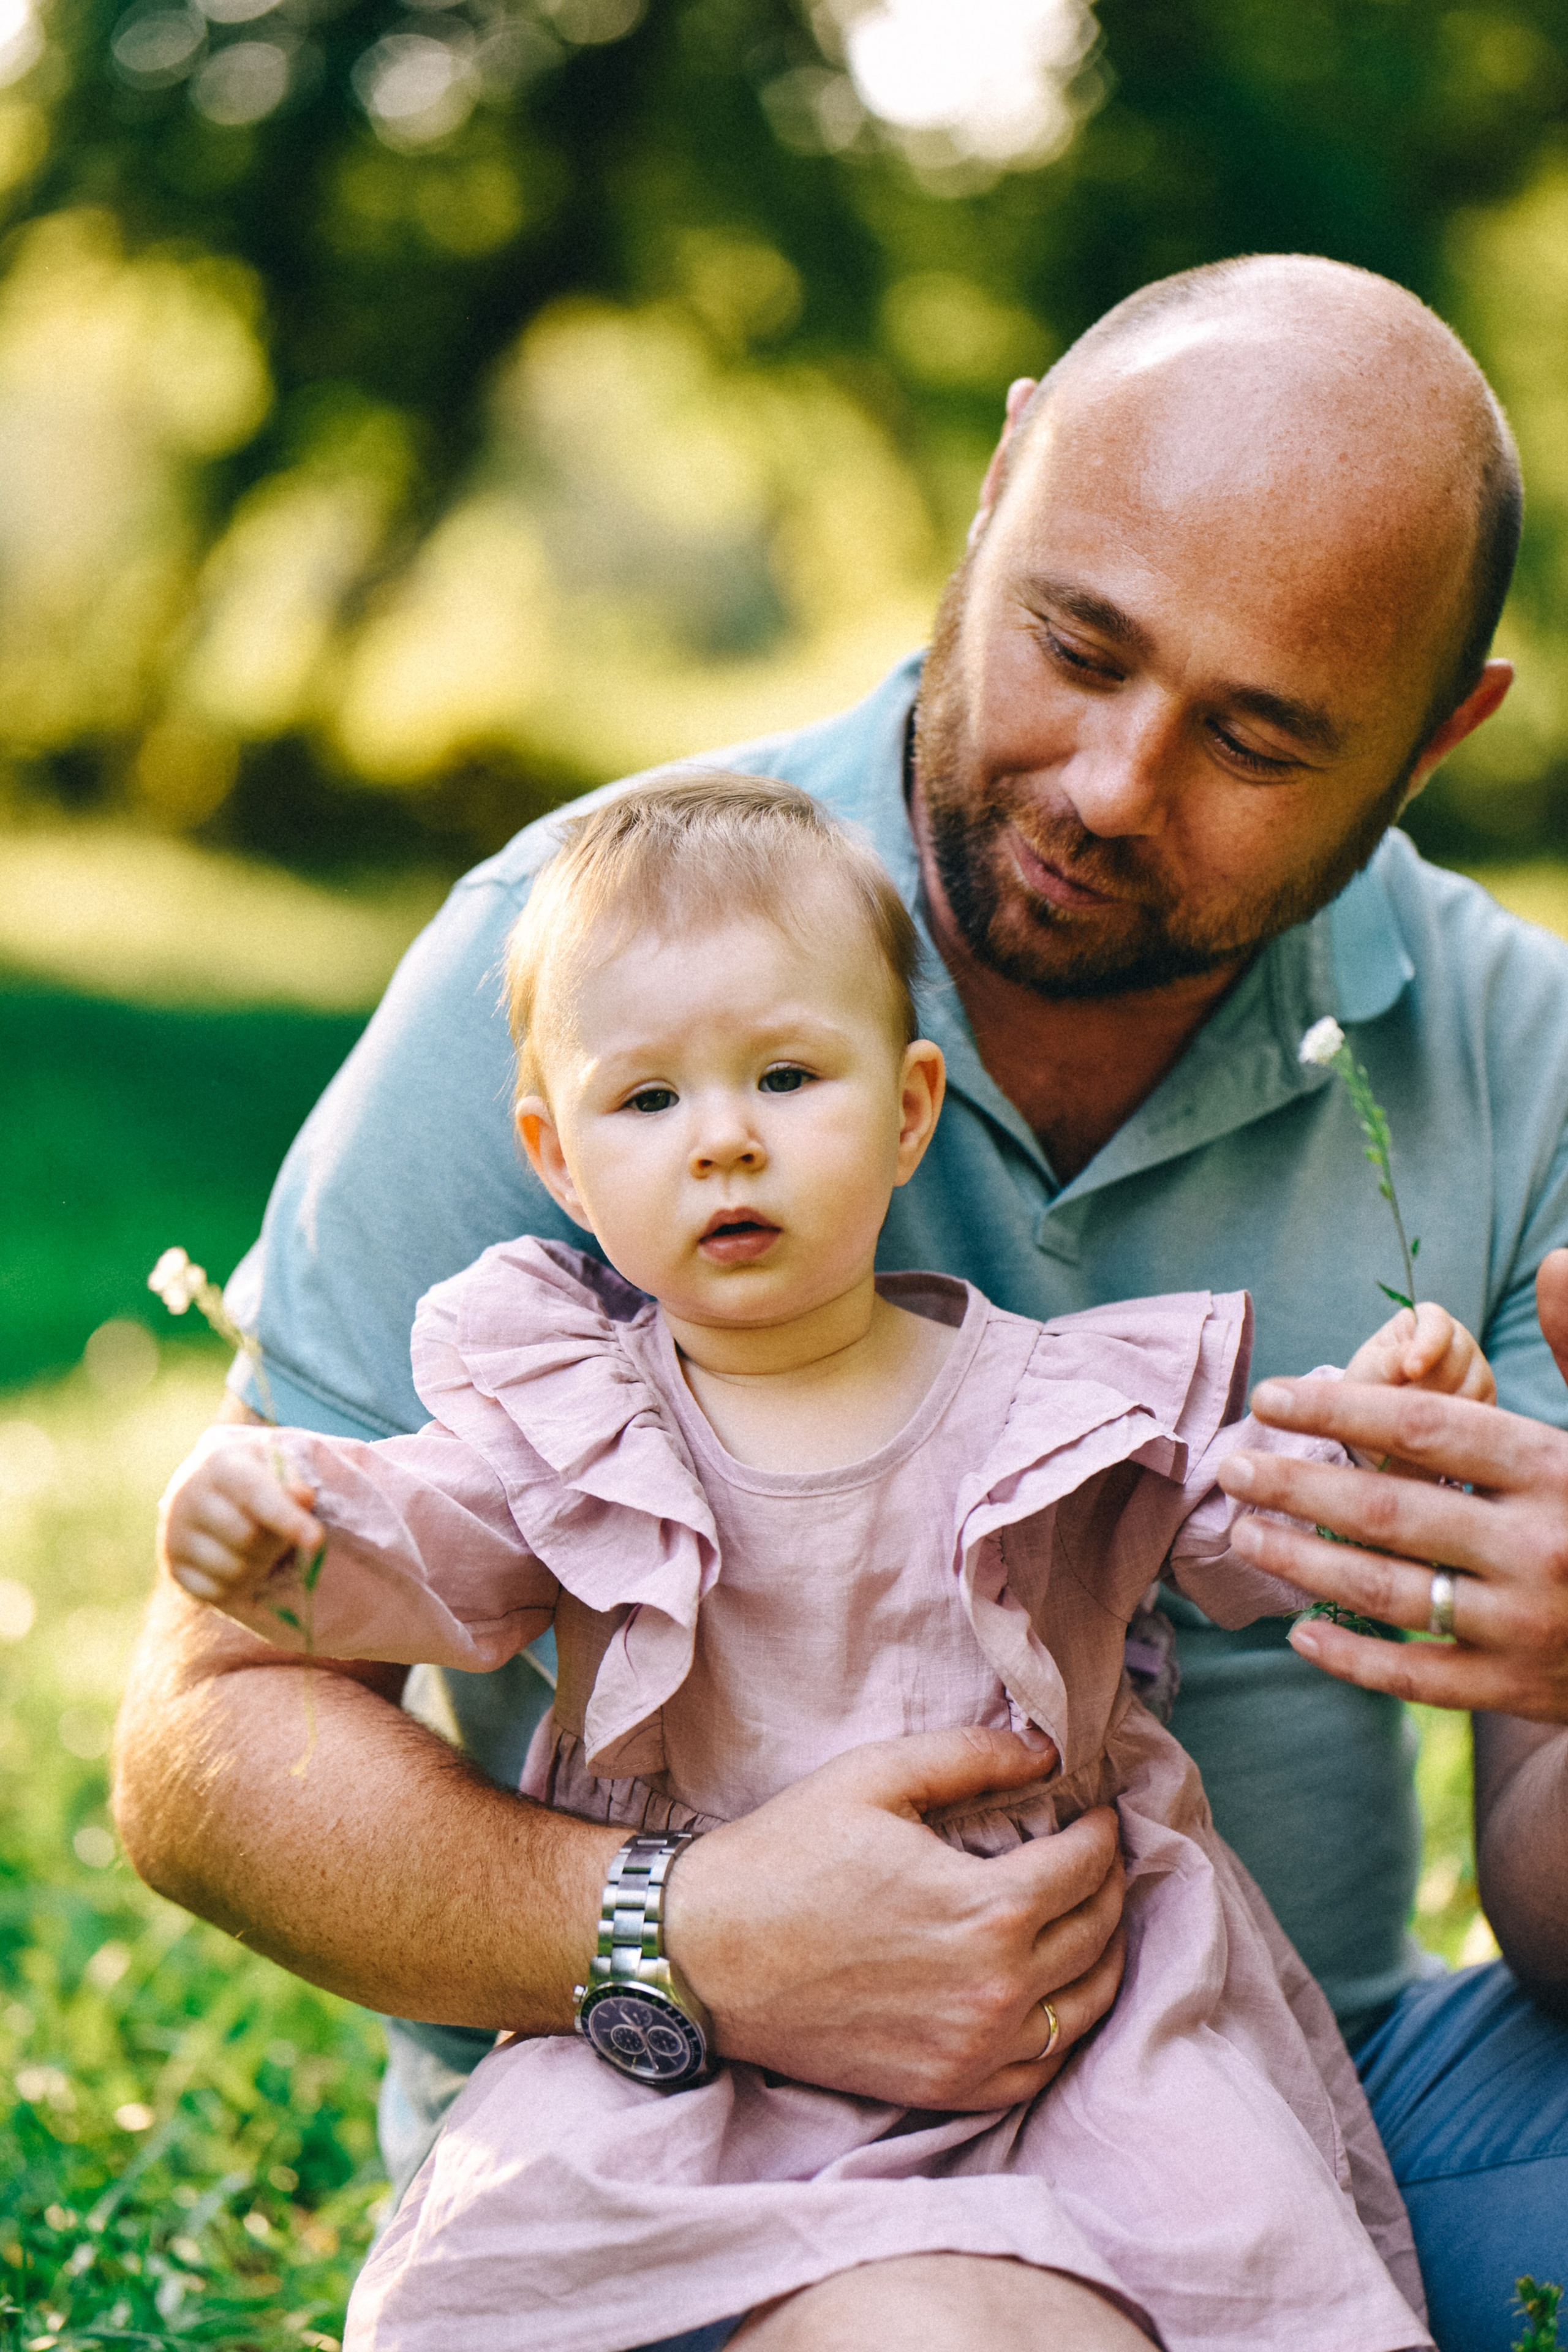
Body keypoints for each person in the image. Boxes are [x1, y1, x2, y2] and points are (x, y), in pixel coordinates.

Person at [113, 252, 1568, 2352]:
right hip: (678, 2126)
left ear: (1439, 737)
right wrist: (685, 1929)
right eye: (1075, 642)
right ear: (997, 493)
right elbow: (208, 1736)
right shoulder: (598, 978)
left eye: (1259, 736)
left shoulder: (1519, 1059)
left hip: (1249, 2120)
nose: (1110, 785)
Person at [157, 774, 1496, 2350]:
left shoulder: (1055, 1402)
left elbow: (1251, 1531)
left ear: (908, 1106)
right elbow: (418, 1550)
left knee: (1152, 2288)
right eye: (646, 1101)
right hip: (693, 2059)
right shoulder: (577, 1420)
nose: (722, 1140)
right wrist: (269, 1528)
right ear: (560, 1158)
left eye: (786, 1077)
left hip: (1065, 2034)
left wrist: (1373, 1450)